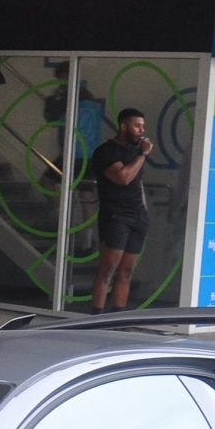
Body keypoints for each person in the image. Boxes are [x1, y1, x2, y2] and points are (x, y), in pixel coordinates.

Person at [88, 107, 152, 312]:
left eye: (143, 126)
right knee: (108, 270)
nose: (141, 130)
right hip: (115, 217)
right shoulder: (106, 152)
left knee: (126, 271)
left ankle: (118, 319)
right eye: (136, 125)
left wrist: (144, 209)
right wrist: (142, 153)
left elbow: (137, 182)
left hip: (137, 216)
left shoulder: (135, 153)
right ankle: (96, 318)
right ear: (123, 126)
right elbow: (123, 177)